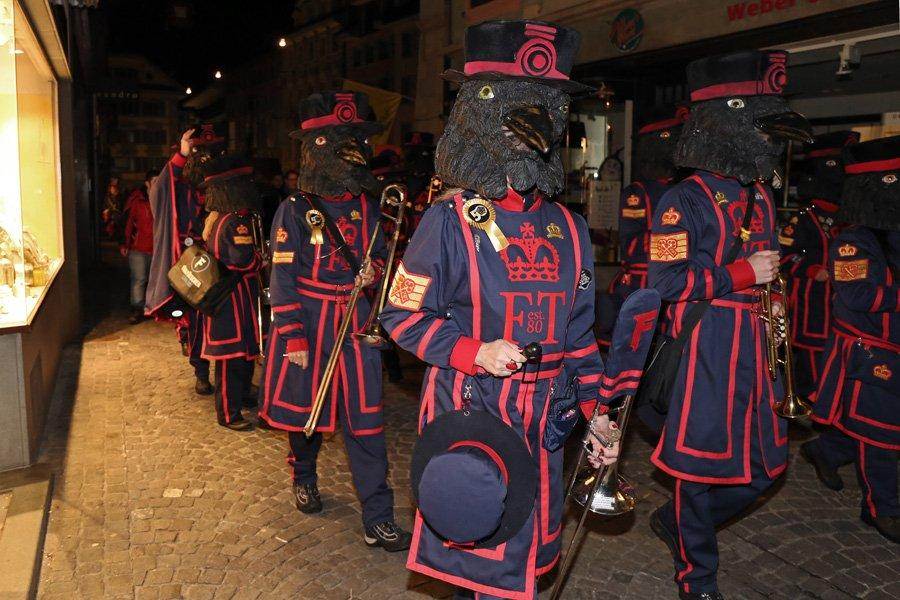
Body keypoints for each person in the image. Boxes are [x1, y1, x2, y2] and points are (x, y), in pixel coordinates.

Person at [379, 20, 618, 600]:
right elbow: (400, 315)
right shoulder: (448, 219)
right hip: (473, 412)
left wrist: (597, 411)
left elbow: (580, 337)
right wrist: (474, 351)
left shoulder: (570, 227)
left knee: (525, 565)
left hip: (546, 422)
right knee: (478, 563)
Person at [647, 50, 813, 600]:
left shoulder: (760, 193)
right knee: (697, 472)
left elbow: (768, 269)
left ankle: (677, 523)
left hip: (758, 346)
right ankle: (697, 578)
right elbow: (664, 281)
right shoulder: (681, 200)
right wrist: (742, 273)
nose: (768, 141)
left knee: (769, 465)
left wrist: (776, 302)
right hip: (707, 348)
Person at [258, 91, 411, 552]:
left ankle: (377, 517)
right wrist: (293, 336)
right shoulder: (293, 208)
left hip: (356, 321)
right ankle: (303, 474)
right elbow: (282, 277)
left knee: (366, 419)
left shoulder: (368, 205)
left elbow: (381, 256)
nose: (353, 148)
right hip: (309, 321)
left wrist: (374, 272)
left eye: (358, 139)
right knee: (305, 413)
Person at [803, 135, 900, 544]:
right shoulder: (852, 241)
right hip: (870, 351)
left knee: (874, 424)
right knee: (881, 432)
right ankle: (882, 508)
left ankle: (825, 450)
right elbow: (856, 296)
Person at [145, 124, 227, 396]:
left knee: (226, 319)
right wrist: (181, 154)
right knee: (195, 322)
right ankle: (201, 372)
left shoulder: (221, 186)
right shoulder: (176, 186)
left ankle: (231, 375)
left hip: (220, 257)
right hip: (189, 262)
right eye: (199, 154)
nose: (205, 159)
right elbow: (161, 189)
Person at [779, 131, 859, 397]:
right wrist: (811, 270)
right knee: (813, 361)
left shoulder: (848, 218)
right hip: (812, 305)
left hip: (841, 304)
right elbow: (783, 257)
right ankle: (812, 401)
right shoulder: (803, 218)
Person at [599, 108, 686, 350]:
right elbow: (632, 246)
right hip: (643, 284)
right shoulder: (636, 193)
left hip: (676, 279)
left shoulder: (686, 189)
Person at [199, 155, 263, 431]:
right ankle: (228, 413)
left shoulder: (219, 218)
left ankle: (241, 396)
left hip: (231, 297)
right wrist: (260, 259)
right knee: (231, 358)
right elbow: (242, 259)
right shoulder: (235, 222)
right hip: (233, 299)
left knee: (241, 354)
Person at [120, 170, 157, 323]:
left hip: (156, 248)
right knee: (139, 279)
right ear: (147, 183)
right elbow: (128, 222)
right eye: (154, 182)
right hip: (138, 247)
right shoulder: (137, 200)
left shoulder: (162, 199)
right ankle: (137, 309)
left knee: (154, 279)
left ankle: (152, 308)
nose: (157, 185)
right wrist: (124, 243)